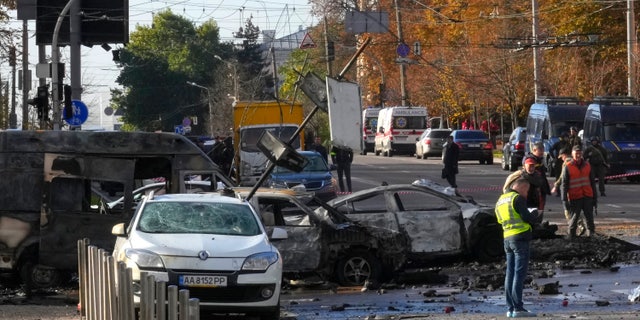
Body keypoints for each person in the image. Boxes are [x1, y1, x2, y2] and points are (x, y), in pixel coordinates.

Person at [495, 178, 539, 318]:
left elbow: (499, 219)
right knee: (519, 274)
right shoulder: (517, 198)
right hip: (520, 238)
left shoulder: (501, 200)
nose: (526, 194)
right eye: (526, 190)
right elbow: (526, 217)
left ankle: (510, 308)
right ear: (519, 187)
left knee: (510, 274)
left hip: (507, 238)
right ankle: (518, 308)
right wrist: (534, 214)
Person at [561, 144, 597, 239]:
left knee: (589, 219)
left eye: (580, 153)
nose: (578, 155)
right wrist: (564, 200)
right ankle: (571, 237)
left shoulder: (587, 165)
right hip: (575, 197)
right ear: (572, 154)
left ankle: (591, 236)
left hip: (587, 196)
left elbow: (592, 182)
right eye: (576, 153)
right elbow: (564, 185)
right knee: (574, 219)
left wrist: (595, 198)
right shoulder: (568, 167)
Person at [503, 157, 545, 224]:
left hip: (533, 202)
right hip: (522, 202)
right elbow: (511, 189)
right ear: (524, 166)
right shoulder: (519, 176)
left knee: (534, 222)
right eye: (529, 166)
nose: (531, 168)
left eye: (533, 166)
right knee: (524, 220)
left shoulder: (537, 176)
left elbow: (540, 184)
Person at [521, 142, 551, 215]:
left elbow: (542, 175)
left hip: (540, 189)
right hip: (533, 191)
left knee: (540, 209)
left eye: (543, 151)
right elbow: (529, 175)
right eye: (540, 151)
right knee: (534, 211)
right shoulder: (529, 160)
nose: (542, 153)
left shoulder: (539, 159)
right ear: (534, 150)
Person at [551, 148, 572, 219]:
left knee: (567, 207)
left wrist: (556, 185)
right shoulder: (575, 161)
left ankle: (572, 223)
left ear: (565, 155)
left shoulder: (566, 163)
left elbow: (562, 176)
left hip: (567, 187)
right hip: (576, 187)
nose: (562, 159)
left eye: (562, 157)